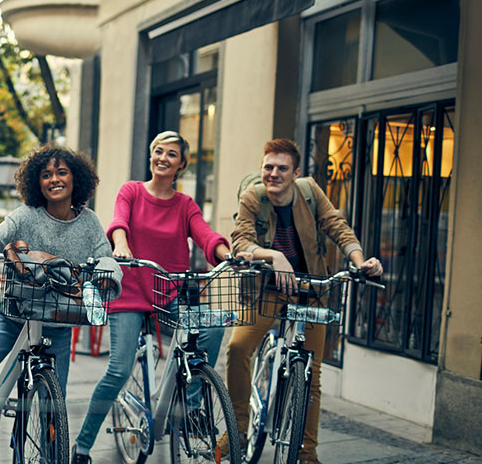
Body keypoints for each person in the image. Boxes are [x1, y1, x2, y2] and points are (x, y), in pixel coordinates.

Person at [70, 130, 245, 464]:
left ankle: (191, 408)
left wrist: (225, 254)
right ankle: (82, 446)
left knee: (211, 326)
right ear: (151, 155)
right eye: (158, 151)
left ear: (182, 164)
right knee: (119, 371)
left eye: (171, 154)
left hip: (168, 293)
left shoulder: (185, 205)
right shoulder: (132, 191)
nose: (163, 158)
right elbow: (119, 219)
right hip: (131, 293)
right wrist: (120, 244)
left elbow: (204, 234)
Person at [0, 144, 122, 434]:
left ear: (75, 179)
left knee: (53, 406)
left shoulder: (90, 222)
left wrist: (109, 275)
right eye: (46, 174)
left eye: (61, 172)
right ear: (37, 182)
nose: (54, 179)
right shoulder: (26, 215)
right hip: (12, 318)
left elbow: (105, 254)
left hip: (58, 323)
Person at [225, 138, 383, 464]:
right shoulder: (252, 197)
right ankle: (238, 426)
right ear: (262, 168)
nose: (274, 174)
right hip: (266, 288)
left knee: (311, 373)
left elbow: (337, 226)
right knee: (238, 347)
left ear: (295, 172)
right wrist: (274, 256)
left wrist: (359, 260)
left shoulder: (309, 192)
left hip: (311, 287)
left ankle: (307, 454)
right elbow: (241, 241)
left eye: (282, 168)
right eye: (268, 167)